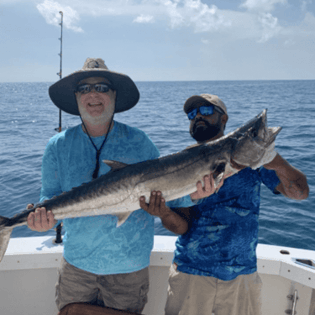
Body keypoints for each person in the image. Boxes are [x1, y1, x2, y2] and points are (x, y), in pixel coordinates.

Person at [26, 58, 213, 315]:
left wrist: (195, 194)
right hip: (77, 267)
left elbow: (174, 196)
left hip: (129, 270)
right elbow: (49, 198)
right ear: (77, 97)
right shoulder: (58, 145)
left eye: (102, 87)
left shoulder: (139, 142)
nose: (93, 94)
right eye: (85, 88)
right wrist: (44, 220)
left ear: (114, 96)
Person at [157, 94, 309, 315]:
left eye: (207, 111)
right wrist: (162, 212)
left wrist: (274, 161)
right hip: (191, 271)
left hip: (242, 275)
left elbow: (300, 193)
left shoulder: (254, 162)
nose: (198, 115)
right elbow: (181, 227)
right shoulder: (180, 163)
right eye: (192, 114)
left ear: (224, 119)